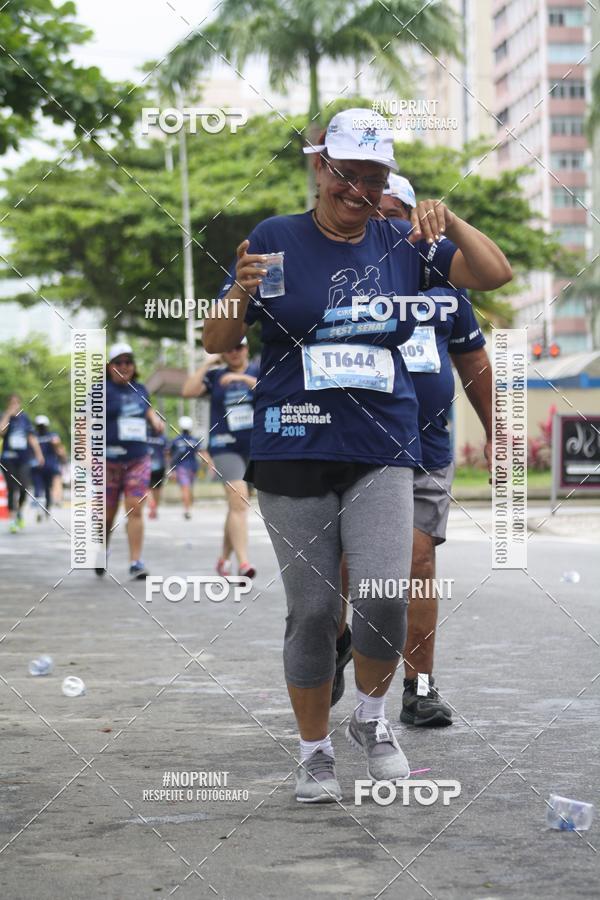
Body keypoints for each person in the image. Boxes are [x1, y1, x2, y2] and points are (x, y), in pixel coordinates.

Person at [203, 107, 511, 803]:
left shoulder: (405, 241)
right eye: (346, 173)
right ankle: (314, 753)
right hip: (292, 444)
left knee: (384, 595)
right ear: (320, 167)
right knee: (313, 611)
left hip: (382, 444)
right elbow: (215, 338)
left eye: (372, 177)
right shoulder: (276, 240)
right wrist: (240, 291)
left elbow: (494, 275)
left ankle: (373, 721)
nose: (358, 189)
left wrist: (451, 219)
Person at [336, 173, 494, 725]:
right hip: (353, 445)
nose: (381, 222)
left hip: (426, 446)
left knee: (417, 561)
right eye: (370, 212)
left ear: (415, 218)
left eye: (393, 213)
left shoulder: (447, 286)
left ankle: (419, 688)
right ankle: (334, 643)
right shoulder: (348, 278)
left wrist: (498, 433)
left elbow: (474, 365)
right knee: (348, 565)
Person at [182, 338, 258, 578]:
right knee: (240, 498)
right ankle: (244, 563)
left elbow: (274, 391)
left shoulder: (259, 369)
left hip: (256, 446)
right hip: (225, 445)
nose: (234, 352)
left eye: (239, 347)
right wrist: (206, 364)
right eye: (229, 348)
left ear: (246, 349)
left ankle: (223, 559)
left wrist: (242, 379)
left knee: (236, 506)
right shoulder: (215, 377)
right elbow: (188, 391)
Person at [102, 342, 164, 579]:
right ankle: (101, 550)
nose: (124, 366)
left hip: (138, 458)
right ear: (110, 367)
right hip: (108, 461)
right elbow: (83, 424)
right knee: (107, 515)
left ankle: (136, 561)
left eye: (128, 362)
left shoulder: (141, 389)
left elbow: (148, 412)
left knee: (135, 509)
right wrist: (88, 454)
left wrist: (156, 420)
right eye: (119, 362)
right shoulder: (100, 391)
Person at [0, 394, 45, 533]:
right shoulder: (4, 416)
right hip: (8, 458)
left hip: (24, 459)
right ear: (8, 404)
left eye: (16, 403)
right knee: (11, 489)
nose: (14, 405)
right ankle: (13, 518)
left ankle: (19, 511)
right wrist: (8, 414)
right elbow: (1, 432)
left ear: (20, 404)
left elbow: (31, 437)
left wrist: (39, 454)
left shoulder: (24, 419)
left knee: (23, 487)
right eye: (11, 403)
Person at [30, 415, 67, 521]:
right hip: (38, 466)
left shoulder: (52, 435)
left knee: (46, 489)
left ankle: (46, 509)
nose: (41, 427)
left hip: (48, 466)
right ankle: (39, 510)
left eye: (42, 425)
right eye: (40, 426)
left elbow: (59, 448)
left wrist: (57, 446)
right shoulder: (34, 436)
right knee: (38, 488)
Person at [169, 416, 203, 520]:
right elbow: (201, 453)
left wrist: (172, 470)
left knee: (185, 488)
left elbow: (171, 456)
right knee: (189, 488)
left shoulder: (175, 441)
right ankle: (188, 509)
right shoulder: (195, 440)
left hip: (181, 468)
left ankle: (187, 509)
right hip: (193, 467)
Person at [147, 423, 168, 519]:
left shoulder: (146, 437)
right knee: (158, 488)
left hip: (148, 465)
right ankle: (155, 508)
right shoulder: (163, 439)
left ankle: (151, 504)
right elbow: (167, 453)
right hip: (160, 466)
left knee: (148, 488)